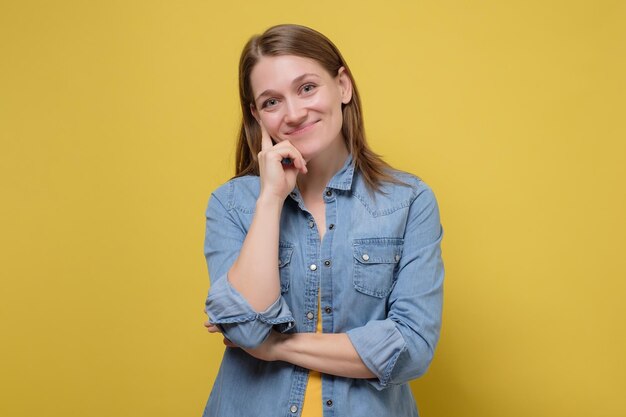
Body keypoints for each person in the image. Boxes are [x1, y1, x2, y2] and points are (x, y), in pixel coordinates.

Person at [202, 24, 444, 417]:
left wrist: (273, 346)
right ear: (257, 116)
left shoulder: (409, 201)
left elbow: (412, 349)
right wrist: (271, 198)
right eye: (271, 102)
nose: (294, 113)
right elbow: (245, 329)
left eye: (307, 87)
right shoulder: (232, 205)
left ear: (343, 86)